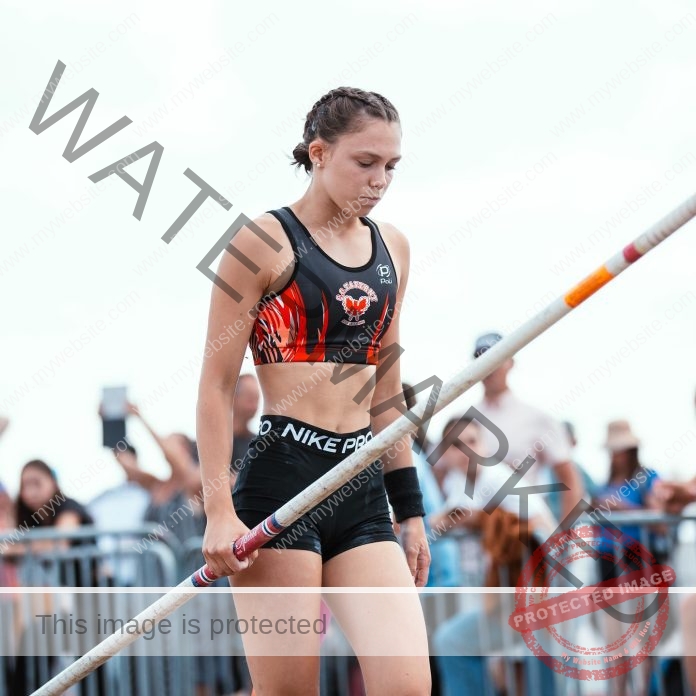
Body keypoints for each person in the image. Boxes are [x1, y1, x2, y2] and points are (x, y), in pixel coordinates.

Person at [197, 86, 431, 695]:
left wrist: (410, 511)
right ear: (319, 153)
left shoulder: (394, 250)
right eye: (365, 162)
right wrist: (219, 511)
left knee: (408, 685)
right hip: (281, 482)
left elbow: (386, 388)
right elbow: (217, 386)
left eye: (391, 166)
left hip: (358, 485)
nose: (380, 180)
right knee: (287, 690)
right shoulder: (263, 242)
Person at [470, 332, 585, 524]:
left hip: (524, 535)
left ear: (510, 362)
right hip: (474, 542)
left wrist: (562, 536)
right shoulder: (464, 421)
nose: (488, 366)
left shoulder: (537, 418)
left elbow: (570, 479)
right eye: (480, 358)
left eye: (495, 357)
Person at [230, 373, 261, 482]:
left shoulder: (258, 442)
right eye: (250, 398)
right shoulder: (216, 438)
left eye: (256, 399)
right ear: (233, 398)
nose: (254, 405)